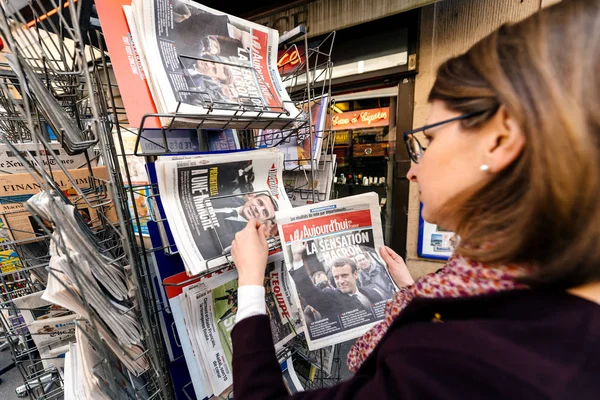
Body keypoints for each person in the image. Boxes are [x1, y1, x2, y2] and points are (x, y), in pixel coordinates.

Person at [229, 1, 600, 398]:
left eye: (429, 140)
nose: (412, 170)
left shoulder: (453, 360)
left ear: (501, 139)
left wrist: (250, 285)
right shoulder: (539, 300)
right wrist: (411, 289)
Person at [287, 241, 384, 322]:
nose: (340, 281)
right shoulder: (331, 297)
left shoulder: (374, 293)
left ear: (355, 274)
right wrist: (297, 257)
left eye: (344, 275)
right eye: (336, 277)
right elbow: (310, 293)